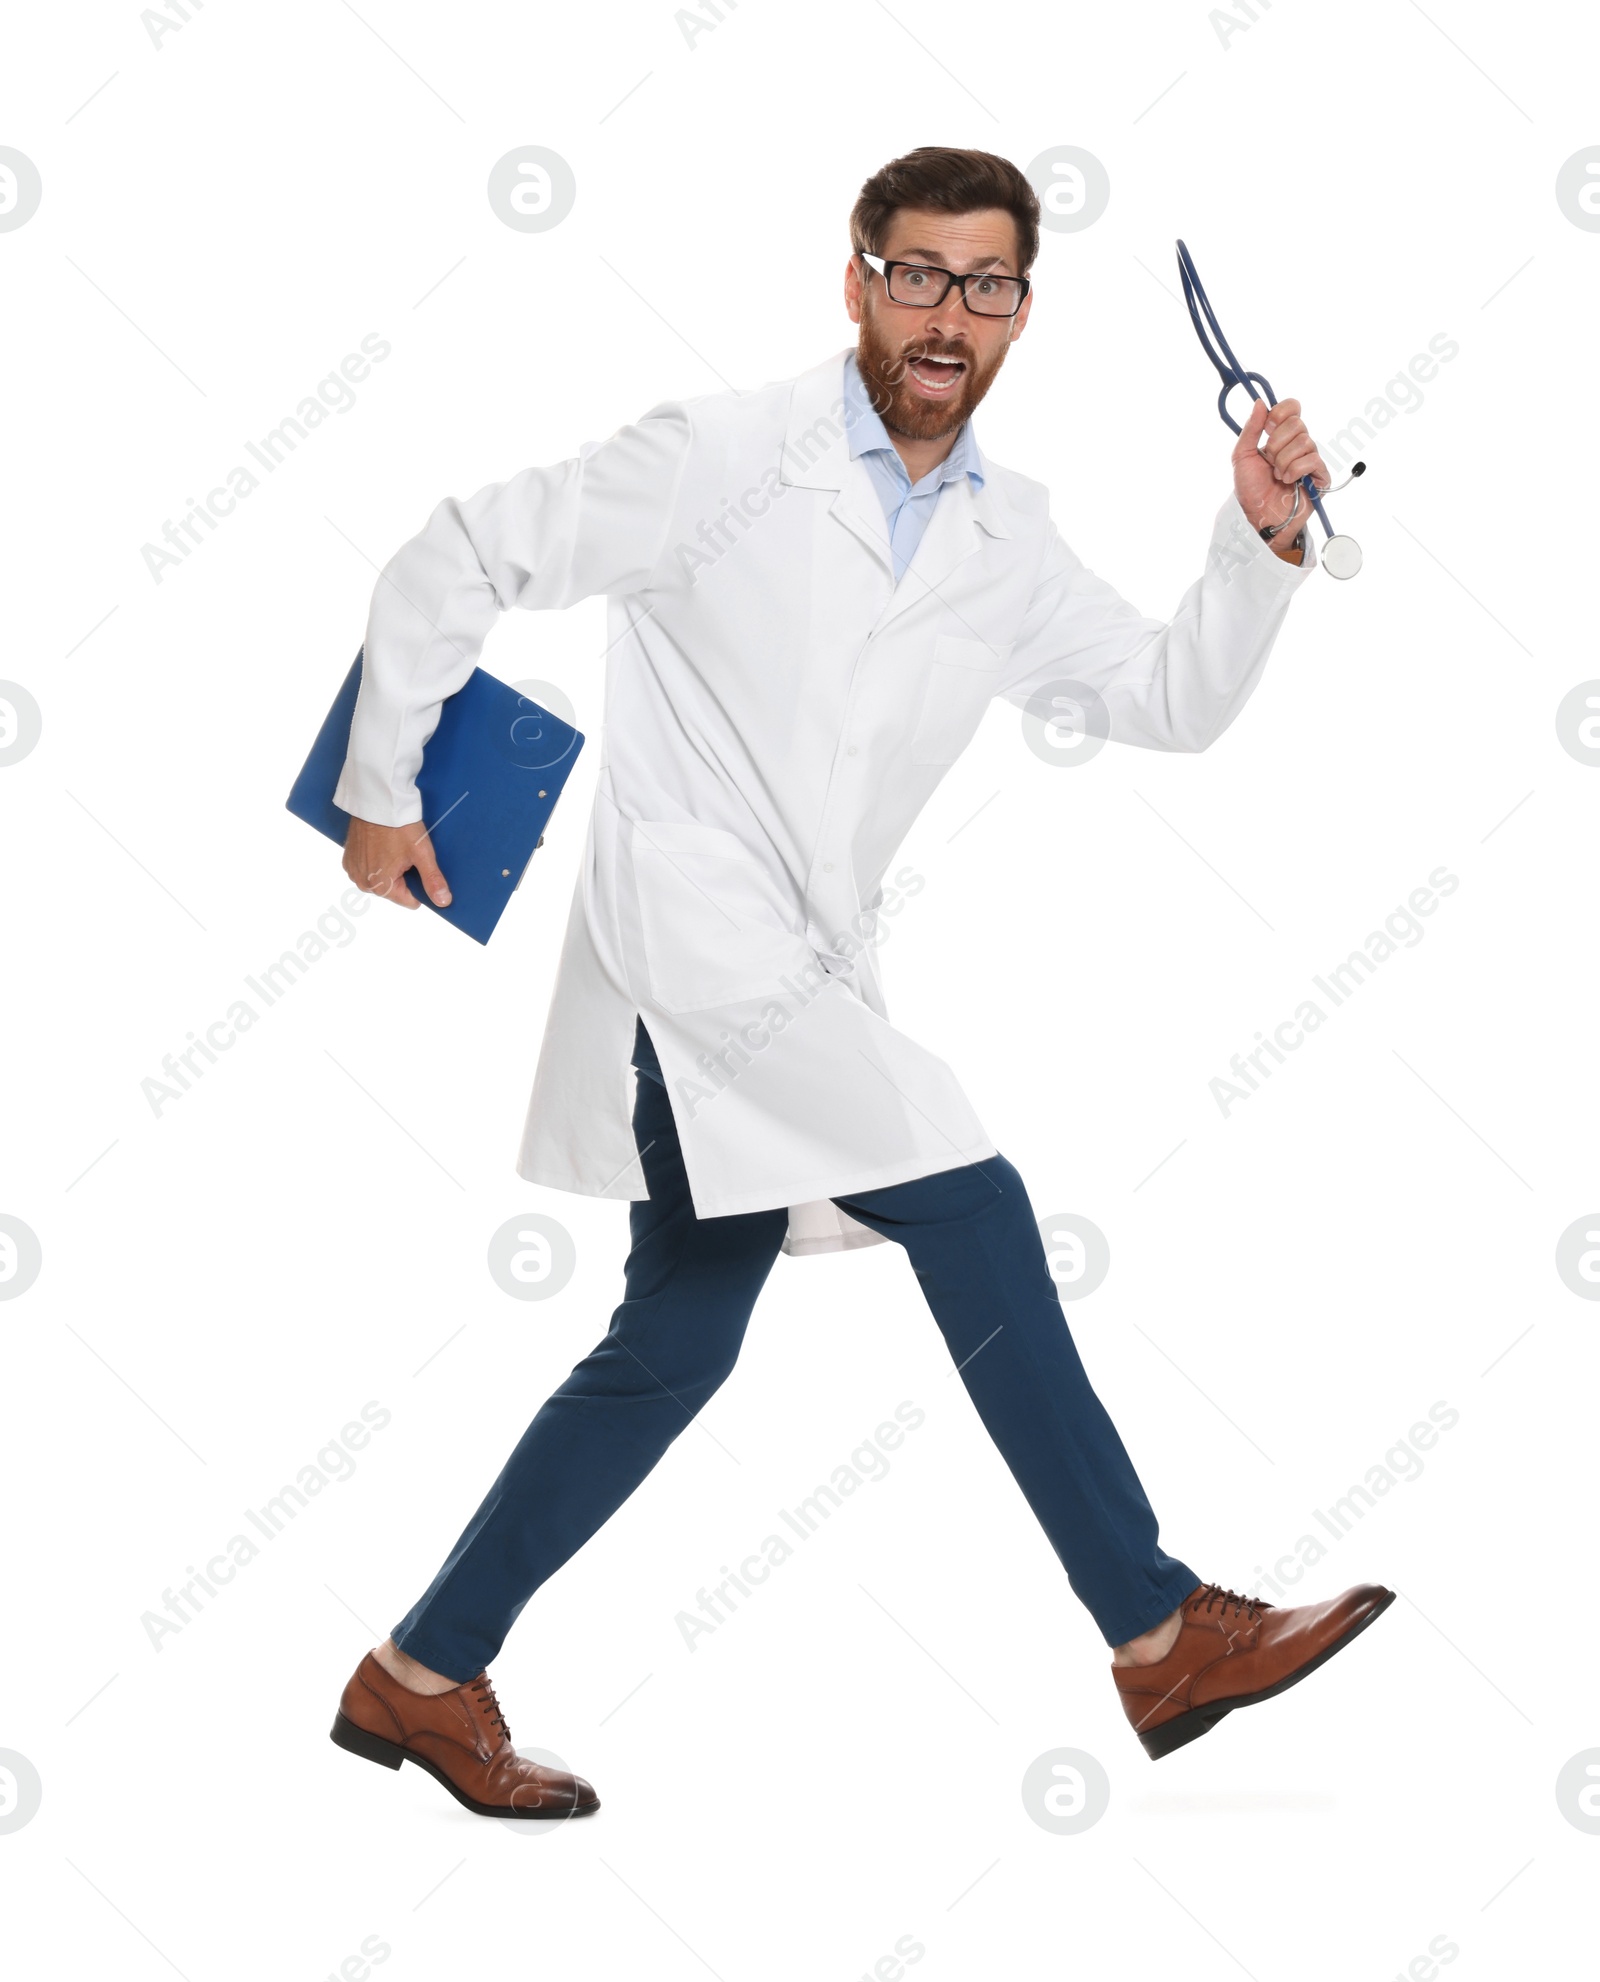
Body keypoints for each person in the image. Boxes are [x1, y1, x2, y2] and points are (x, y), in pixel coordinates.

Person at [327, 147, 1391, 1820]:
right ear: (856, 282)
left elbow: (1167, 699)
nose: (945, 314)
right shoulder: (718, 457)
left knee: (675, 1340)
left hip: (798, 970)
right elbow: (460, 550)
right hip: (690, 938)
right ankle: (1156, 1622)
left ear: (1023, 313)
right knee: (970, 1194)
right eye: (915, 274)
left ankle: (421, 1672)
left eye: (983, 284)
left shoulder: (1008, 539)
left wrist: (1256, 548)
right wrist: (382, 785)